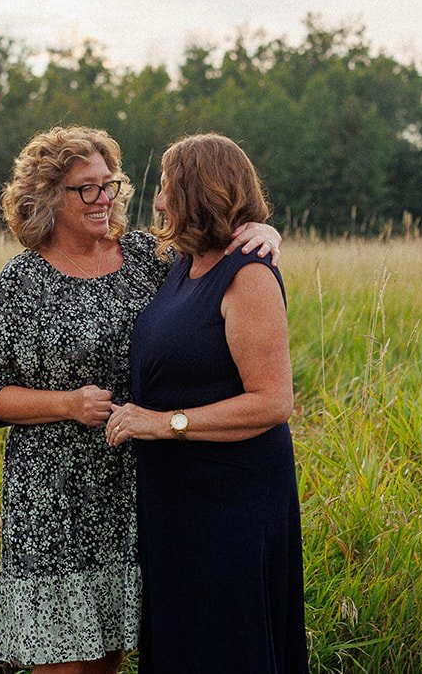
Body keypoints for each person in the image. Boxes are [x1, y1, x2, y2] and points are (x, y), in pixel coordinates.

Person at [0, 126, 280, 674]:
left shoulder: (145, 257)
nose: (104, 198)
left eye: (109, 184)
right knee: (61, 662)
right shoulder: (22, 282)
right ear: (46, 199)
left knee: (109, 658)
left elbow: (218, 259)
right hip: (51, 502)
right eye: (86, 188)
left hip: (130, 491)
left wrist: (262, 230)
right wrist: (66, 404)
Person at [106, 133, 307, 674]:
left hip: (231, 498)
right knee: (183, 637)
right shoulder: (178, 264)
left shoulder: (247, 274)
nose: (156, 199)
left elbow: (273, 402)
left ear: (196, 192)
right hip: (174, 498)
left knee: (226, 640)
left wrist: (162, 423)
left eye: (167, 186)